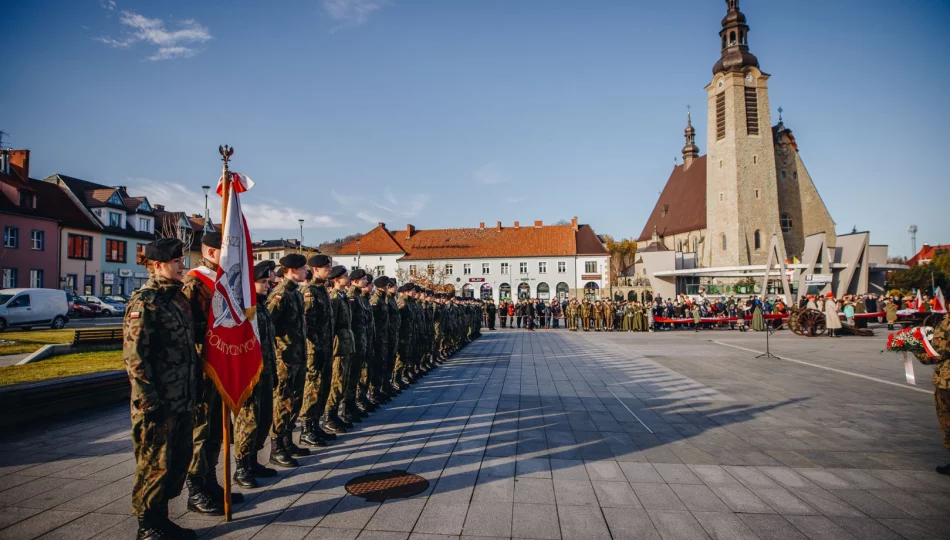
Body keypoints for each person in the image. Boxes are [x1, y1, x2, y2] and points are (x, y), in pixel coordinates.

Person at [124, 238, 199, 540]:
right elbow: (134, 358)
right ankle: (147, 526)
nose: (183, 264)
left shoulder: (178, 299)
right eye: (177, 261)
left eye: (182, 259)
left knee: (177, 460)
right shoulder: (145, 303)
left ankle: (161, 519)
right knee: (154, 463)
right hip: (158, 402)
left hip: (182, 396)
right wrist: (149, 401)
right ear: (157, 265)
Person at [181, 231, 235, 515]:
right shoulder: (194, 282)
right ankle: (196, 489)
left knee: (216, 429)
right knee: (201, 430)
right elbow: (188, 330)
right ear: (211, 252)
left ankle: (211, 481)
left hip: (221, 366)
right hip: (204, 367)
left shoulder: (221, 281)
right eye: (224, 252)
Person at [232, 261, 279, 489]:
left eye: (267, 283)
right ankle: (241, 466)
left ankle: (253, 461)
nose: (267, 286)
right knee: (248, 421)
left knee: (263, 419)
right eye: (262, 283)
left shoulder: (261, 307)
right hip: (250, 375)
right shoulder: (244, 308)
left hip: (266, 371)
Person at [267, 253, 311, 467]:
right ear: (292, 270)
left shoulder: (295, 294)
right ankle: (276, 448)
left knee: (294, 401)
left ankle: (287, 441)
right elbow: (268, 326)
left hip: (297, 356)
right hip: (284, 359)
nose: (306, 272)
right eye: (303, 268)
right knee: (282, 402)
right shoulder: (280, 294)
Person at [299, 255, 336, 448]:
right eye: (325, 268)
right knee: (312, 388)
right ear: (315, 270)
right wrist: (314, 348)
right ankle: (306, 428)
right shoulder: (310, 292)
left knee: (323, 387)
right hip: (315, 349)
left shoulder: (322, 291)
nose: (329, 270)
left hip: (325, 346)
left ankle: (316, 424)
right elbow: (308, 326)